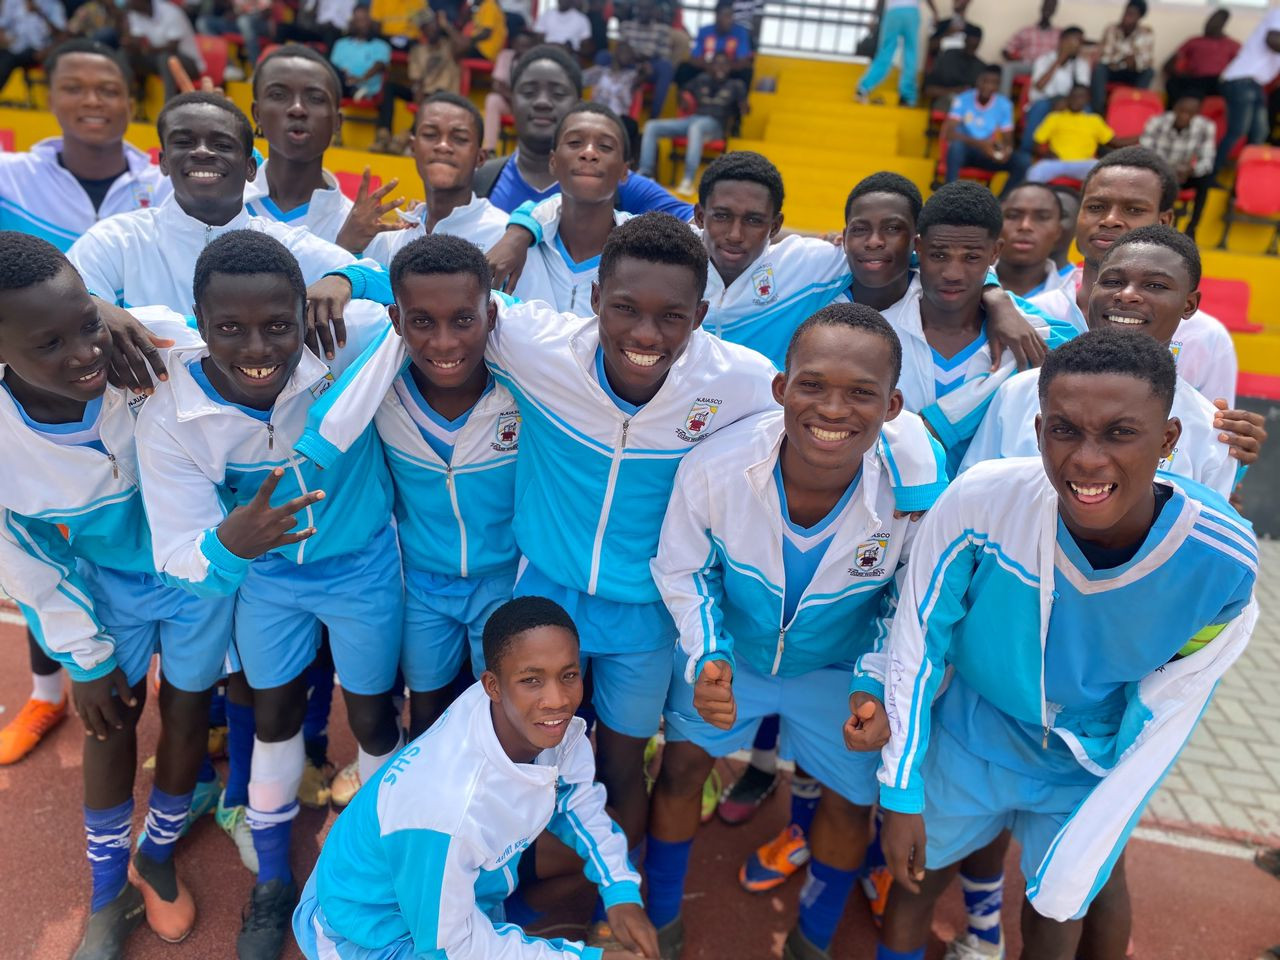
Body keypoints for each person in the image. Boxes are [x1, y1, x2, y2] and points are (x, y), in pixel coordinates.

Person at [307, 213, 783, 941]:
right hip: (543, 598)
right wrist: (345, 276)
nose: (646, 333)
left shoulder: (738, 380)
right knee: (516, 750)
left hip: (644, 612)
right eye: (625, 308)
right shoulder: (537, 342)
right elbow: (429, 283)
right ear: (593, 299)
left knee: (620, 762)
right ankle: (506, 892)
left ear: (702, 315)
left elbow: (835, 401)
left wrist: (913, 482)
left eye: (671, 316)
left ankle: (619, 907)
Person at [868, 323, 1258, 960]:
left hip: (1087, 761)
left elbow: (1175, 701)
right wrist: (901, 790)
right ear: (1038, 429)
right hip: (974, 735)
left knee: (1060, 912)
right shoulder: (982, 501)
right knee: (912, 888)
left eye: (1120, 433)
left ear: (1168, 439)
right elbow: (917, 643)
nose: (1087, 459)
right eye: (1064, 430)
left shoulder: (1223, 562)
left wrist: (1113, 792)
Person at [647, 303, 945, 960]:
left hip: (842, 671)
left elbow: (912, 600)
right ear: (781, 388)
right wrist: (707, 655)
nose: (833, 409)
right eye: (812, 385)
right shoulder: (718, 466)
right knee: (681, 768)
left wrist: (874, 682)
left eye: (861, 393)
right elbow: (683, 567)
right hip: (733, 658)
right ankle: (660, 917)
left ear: (893, 405)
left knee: (848, 803)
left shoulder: (915, 489)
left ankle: (812, 940)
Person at [135, 231, 402, 960]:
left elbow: (418, 292)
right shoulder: (172, 414)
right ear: (199, 320)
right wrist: (231, 545)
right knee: (273, 713)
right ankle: (274, 879)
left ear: (304, 312)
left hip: (362, 566)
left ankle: (377, 863)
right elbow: (177, 555)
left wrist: (350, 279)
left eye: (279, 325)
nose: (258, 349)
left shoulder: (343, 339)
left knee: (372, 714)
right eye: (230, 327)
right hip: (268, 579)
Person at [0, 233, 233, 959]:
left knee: (188, 710)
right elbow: (26, 560)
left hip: (197, 576)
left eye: (87, 325)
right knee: (108, 719)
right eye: (49, 344)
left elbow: (248, 337)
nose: (83, 355)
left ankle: (156, 853)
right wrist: (85, 655)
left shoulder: (146, 346)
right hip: (106, 590)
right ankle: (110, 891)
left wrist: (120, 315)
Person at [291, 596, 659, 960]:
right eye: (532, 680)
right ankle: (503, 932)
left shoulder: (530, 720)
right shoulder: (446, 806)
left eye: (568, 675)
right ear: (492, 685)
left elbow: (577, 800)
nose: (557, 699)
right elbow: (452, 951)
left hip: (433, 892)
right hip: (370, 937)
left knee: (599, 830)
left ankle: (503, 926)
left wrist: (620, 890)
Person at [0, 38, 171, 768]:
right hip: (42, 369)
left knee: (130, 535)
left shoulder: (157, 182)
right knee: (40, 535)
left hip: (118, 373)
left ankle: (167, 681)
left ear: (132, 102)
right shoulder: (12, 176)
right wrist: (89, 311)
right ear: (50, 96)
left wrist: (100, 314)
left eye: (109, 89)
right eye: (75, 87)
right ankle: (45, 693)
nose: (93, 101)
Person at [302, 234, 519, 738]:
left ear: (490, 315)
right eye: (422, 322)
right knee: (426, 710)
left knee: (502, 716)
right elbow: (397, 284)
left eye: (462, 321)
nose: (444, 342)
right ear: (396, 321)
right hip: (421, 583)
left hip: (507, 582)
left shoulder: (521, 387)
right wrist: (348, 276)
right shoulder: (380, 388)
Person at [963, 225, 1238, 502]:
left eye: (1155, 285)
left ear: (1189, 305)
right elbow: (970, 498)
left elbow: (1204, 523)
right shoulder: (1019, 393)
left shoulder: (1209, 432)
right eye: (1112, 281)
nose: (1126, 294)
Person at [875, 180, 1070, 474]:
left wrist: (946, 420)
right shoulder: (879, 331)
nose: (953, 273)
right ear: (919, 247)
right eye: (939, 255)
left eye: (972, 257)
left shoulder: (1027, 328)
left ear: (995, 253)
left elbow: (1069, 350)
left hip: (988, 503)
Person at [472, 44, 693, 218]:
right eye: (529, 92)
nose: (542, 102)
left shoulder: (617, 183)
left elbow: (699, 224)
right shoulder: (480, 181)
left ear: (577, 105)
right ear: (511, 101)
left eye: (558, 94)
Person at [512, 102, 632, 312]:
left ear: (624, 171)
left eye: (605, 146)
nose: (589, 153)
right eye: (575, 142)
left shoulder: (644, 252)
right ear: (553, 161)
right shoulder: (514, 249)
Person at [364, 93, 509, 267]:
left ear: (480, 157)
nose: (443, 146)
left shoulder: (503, 236)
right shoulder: (394, 237)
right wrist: (349, 245)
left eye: (460, 139)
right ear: (413, 148)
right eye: (430, 134)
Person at [638, 53, 747, 195]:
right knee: (652, 126)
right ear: (710, 66)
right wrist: (683, 99)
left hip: (715, 125)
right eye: (717, 63)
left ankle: (688, 181)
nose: (720, 67)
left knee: (697, 128)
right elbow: (683, 91)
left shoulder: (736, 85)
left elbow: (744, 109)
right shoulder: (701, 79)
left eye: (724, 64)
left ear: (729, 67)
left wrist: (743, 107)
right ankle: (645, 173)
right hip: (694, 119)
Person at [942, 64, 1029, 196]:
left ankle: (1001, 203)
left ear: (998, 85)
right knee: (956, 147)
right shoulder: (963, 99)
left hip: (987, 154)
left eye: (993, 83)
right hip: (965, 152)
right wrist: (981, 144)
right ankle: (948, 196)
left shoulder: (1005, 105)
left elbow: (1008, 139)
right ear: (978, 80)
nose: (988, 86)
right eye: (985, 81)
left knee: (1023, 161)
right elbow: (950, 134)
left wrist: (1005, 152)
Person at [1139, 95, 1217, 239]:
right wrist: (1168, 170)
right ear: (1174, 109)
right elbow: (1145, 153)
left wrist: (1191, 170)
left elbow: (1207, 160)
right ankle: (1153, 225)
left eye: (1189, 113)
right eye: (1181, 111)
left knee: (1206, 179)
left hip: (1184, 174)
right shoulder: (1156, 122)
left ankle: (1192, 228)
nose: (1184, 116)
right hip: (1159, 171)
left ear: (1196, 114)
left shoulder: (1206, 126)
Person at [1214, 5, 1280, 176]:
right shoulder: (1278, 14)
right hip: (1240, 79)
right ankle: (1210, 176)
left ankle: (1243, 178)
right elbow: (1273, 40)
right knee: (1237, 131)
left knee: (1259, 133)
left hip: (1255, 84)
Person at [995, 183, 1071, 308]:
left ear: (1058, 231)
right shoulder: (969, 285)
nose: (1025, 226)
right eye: (1013, 216)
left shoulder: (1072, 298)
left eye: (1042, 217)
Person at [1026, 84, 1120, 184]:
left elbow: (1114, 142)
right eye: (1073, 96)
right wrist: (1046, 153)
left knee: (1102, 170)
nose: (1076, 99)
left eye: (1080, 97)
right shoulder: (1054, 117)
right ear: (1068, 98)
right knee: (1036, 170)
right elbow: (1036, 144)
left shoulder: (1094, 120)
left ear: (1087, 100)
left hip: (1084, 163)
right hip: (1058, 162)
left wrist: (1134, 139)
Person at [114, 0, 204, 102]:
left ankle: (169, 103)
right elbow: (138, 40)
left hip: (189, 65)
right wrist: (129, 41)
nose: (128, 2)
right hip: (158, 60)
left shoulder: (171, 12)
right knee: (124, 53)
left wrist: (145, 49)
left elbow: (172, 47)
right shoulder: (135, 13)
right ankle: (122, 97)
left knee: (167, 58)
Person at [856, 0, 939, 109]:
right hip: (911, 11)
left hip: (893, 11)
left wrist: (873, 17)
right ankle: (907, 97)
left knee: (885, 52)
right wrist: (935, 13)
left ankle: (864, 88)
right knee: (911, 53)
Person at [1020, 25, 1088, 153]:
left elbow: (1082, 91)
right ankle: (1026, 152)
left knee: (1087, 110)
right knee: (1040, 107)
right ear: (1063, 41)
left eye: (1081, 42)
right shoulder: (1044, 60)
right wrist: (1060, 59)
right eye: (1076, 41)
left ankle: (1082, 153)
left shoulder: (1081, 64)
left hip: (1069, 101)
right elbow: (1039, 86)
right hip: (1045, 101)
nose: (1079, 46)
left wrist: (1067, 102)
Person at [1090, 0, 1154, 114]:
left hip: (1132, 72)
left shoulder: (1146, 33)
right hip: (1112, 71)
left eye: (1132, 14)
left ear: (1139, 17)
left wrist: (1134, 62)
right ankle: (1099, 110)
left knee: (1149, 72)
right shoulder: (1111, 29)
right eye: (1126, 12)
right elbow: (1104, 56)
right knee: (1100, 68)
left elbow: (1146, 60)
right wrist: (1124, 59)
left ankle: (1133, 107)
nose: (1126, 17)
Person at [1162, 9, 1239, 104]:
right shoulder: (1194, 41)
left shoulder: (1232, 45)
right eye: (1209, 22)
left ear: (1222, 25)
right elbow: (1167, 65)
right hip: (1195, 79)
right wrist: (1183, 75)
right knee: (1172, 83)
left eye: (1214, 23)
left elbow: (1241, 69)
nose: (1209, 26)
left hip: (1218, 81)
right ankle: (1174, 112)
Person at [616, 0, 675, 117]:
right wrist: (635, 57)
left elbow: (664, 55)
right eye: (641, 9)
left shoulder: (662, 29)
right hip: (629, 64)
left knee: (666, 67)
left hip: (651, 65)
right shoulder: (626, 26)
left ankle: (654, 116)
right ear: (636, 10)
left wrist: (645, 59)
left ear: (654, 11)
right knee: (603, 56)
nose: (644, 12)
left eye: (648, 9)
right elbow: (620, 51)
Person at [677, 0, 753, 87]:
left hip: (730, 72)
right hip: (707, 69)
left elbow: (743, 61)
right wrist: (712, 67)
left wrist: (723, 67)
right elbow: (694, 58)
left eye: (731, 16)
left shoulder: (740, 32)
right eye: (727, 16)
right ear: (717, 16)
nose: (730, 20)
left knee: (746, 72)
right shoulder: (704, 31)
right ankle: (687, 95)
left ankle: (737, 95)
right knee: (684, 68)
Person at [482, 29, 536, 152]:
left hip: (528, 105)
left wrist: (519, 100)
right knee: (492, 99)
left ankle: (523, 153)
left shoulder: (537, 62)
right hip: (510, 101)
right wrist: (514, 98)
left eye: (527, 47)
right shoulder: (506, 56)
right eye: (521, 46)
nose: (523, 50)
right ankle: (489, 149)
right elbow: (497, 85)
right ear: (514, 45)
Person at [0, 0, 65, 96]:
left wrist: (39, 13)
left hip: (40, 50)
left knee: (8, 61)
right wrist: (4, 40)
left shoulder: (53, 4)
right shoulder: (12, 2)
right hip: (14, 47)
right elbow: (2, 27)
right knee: (6, 60)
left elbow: (61, 35)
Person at [328, 6, 391, 102]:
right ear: (352, 23)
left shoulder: (381, 46)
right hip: (341, 85)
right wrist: (345, 77)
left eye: (365, 20)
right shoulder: (340, 44)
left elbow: (379, 65)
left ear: (371, 22)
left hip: (366, 90)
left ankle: (355, 90)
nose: (363, 24)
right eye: (359, 20)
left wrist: (360, 79)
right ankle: (353, 90)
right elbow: (333, 68)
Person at [999, 0, 1059, 99]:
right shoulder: (1026, 30)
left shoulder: (1059, 34)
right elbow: (1006, 50)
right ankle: (1004, 102)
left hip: (1047, 68)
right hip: (1028, 66)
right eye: (1046, 6)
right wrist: (1016, 60)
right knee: (1008, 67)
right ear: (1041, 7)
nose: (1048, 9)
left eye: (1051, 7)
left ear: (1055, 10)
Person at [922, 27, 985, 111]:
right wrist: (954, 91)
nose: (972, 47)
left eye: (975, 45)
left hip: (968, 112)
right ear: (965, 40)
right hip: (943, 106)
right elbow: (928, 90)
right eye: (971, 43)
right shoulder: (948, 57)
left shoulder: (980, 67)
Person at [195, 0, 273, 67]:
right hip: (236, 22)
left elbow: (268, 11)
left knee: (244, 21)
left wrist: (251, 5)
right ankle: (227, 64)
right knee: (203, 22)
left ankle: (257, 67)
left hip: (259, 23)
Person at [584, 40, 641, 118]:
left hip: (618, 119)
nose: (628, 56)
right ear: (616, 52)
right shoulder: (600, 71)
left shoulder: (632, 76)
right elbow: (580, 79)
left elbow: (643, 75)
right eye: (625, 52)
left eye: (630, 54)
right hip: (595, 116)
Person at [274, 0, 353, 51]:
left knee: (330, 34)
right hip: (318, 29)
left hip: (340, 32)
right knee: (283, 29)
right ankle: (276, 56)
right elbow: (308, 9)